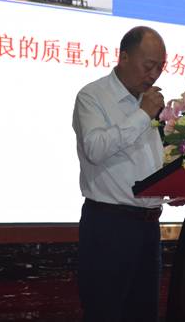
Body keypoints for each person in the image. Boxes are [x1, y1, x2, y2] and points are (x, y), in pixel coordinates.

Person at [72, 26, 173, 322]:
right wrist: (142, 115)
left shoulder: (151, 102)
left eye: (160, 67)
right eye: (148, 65)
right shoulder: (92, 96)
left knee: (143, 314)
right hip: (109, 227)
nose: (154, 75)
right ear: (124, 57)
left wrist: (174, 185)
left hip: (148, 227)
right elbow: (95, 148)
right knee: (105, 313)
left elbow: (149, 161)